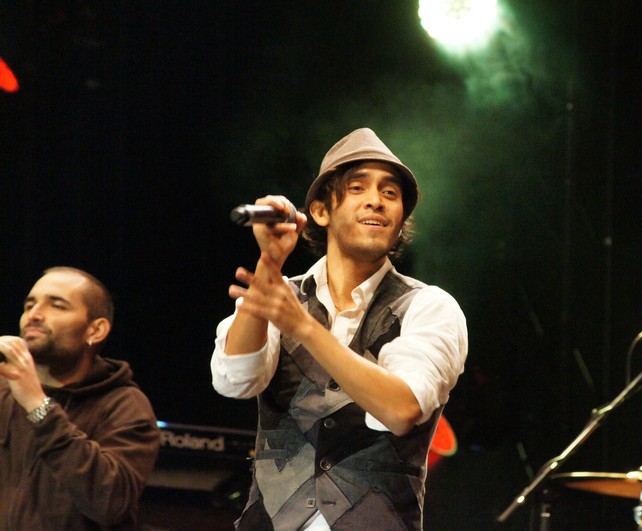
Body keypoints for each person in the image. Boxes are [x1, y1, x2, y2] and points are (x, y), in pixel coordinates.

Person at [211, 128, 468, 530]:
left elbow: (401, 410)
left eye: (389, 193)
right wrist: (270, 261)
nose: (376, 200)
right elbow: (235, 380)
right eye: (357, 187)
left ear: (401, 219)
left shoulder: (428, 307)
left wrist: (306, 328)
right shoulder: (281, 295)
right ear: (320, 211)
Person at [0, 266, 160, 530]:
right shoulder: (3, 388)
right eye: (29, 305)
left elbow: (110, 504)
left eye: (57, 306)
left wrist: (37, 405)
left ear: (95, 330)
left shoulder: (124, 406)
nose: (34, 315)